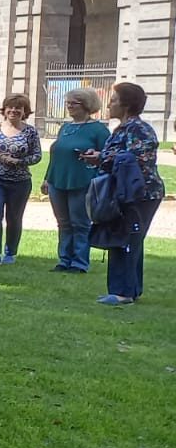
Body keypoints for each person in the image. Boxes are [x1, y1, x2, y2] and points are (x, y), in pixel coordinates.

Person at [81, 82, 165, 305]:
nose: (109, 104)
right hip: (122, 193)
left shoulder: (140, 129)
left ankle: (123, 293)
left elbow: (139, 161)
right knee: (124, 237)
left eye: (114, 100)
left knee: (127, 239)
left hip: (140, 194)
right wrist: (99, 156)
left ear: (126, 105)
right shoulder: (122, 129)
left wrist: (101, 157)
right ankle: (128, 289)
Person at [41, 88, 109, 274]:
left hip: (82, 180)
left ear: (86, 106)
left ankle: (79, 263)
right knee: (63, 223)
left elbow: (108, 157)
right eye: (68, 103)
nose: (69, 106)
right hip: (58, 180)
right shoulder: (66, 128)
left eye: (74, 103)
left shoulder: (98, 129)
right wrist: (47, 178)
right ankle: (64, 260)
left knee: (80, 223)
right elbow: (56, 155)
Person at [0, 93, 43, 266]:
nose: (13, 110)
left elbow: (37, 155)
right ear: (4, 110)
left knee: (14, 217)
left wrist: (19, 162)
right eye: (10, 107)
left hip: (20, 180)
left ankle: (10, 253)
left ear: (24, 111)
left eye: (18, 108)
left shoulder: (30, 132)